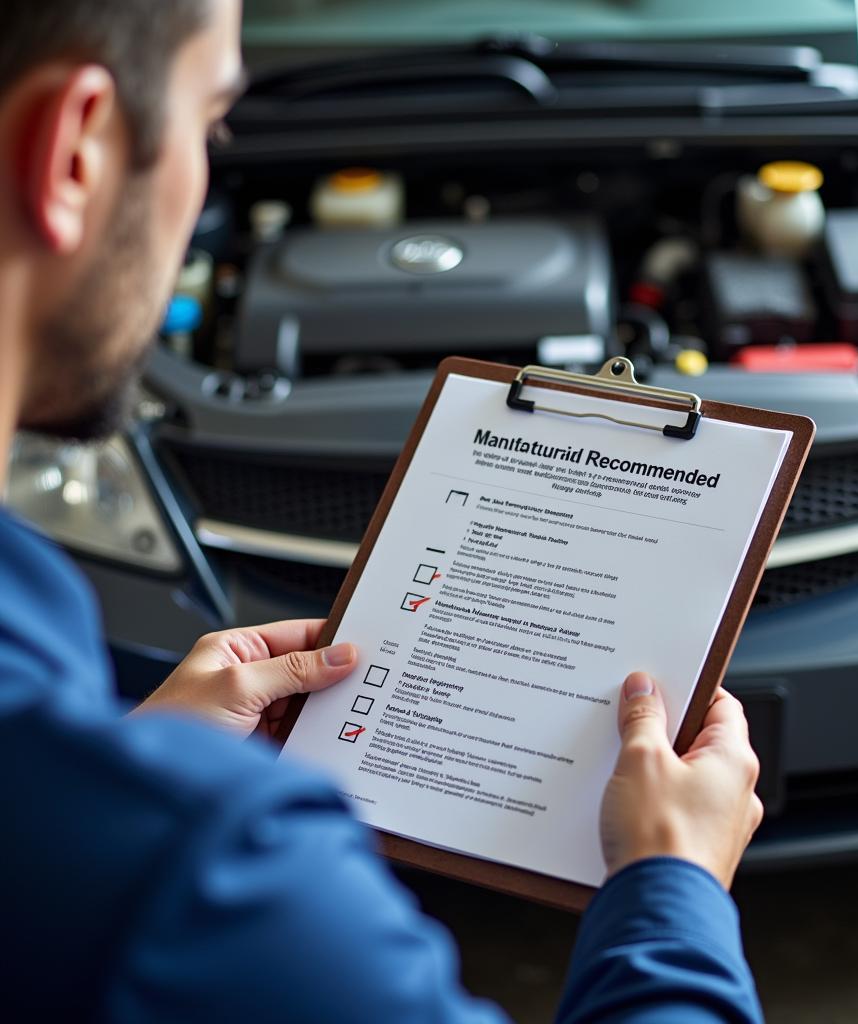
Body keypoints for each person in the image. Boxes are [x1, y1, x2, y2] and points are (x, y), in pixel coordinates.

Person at [0, 1, 765, 1020]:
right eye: (211, 123)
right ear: (75, 153)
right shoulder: (201, 874)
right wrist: (671, 887)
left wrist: (118, 768)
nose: (207, 171)